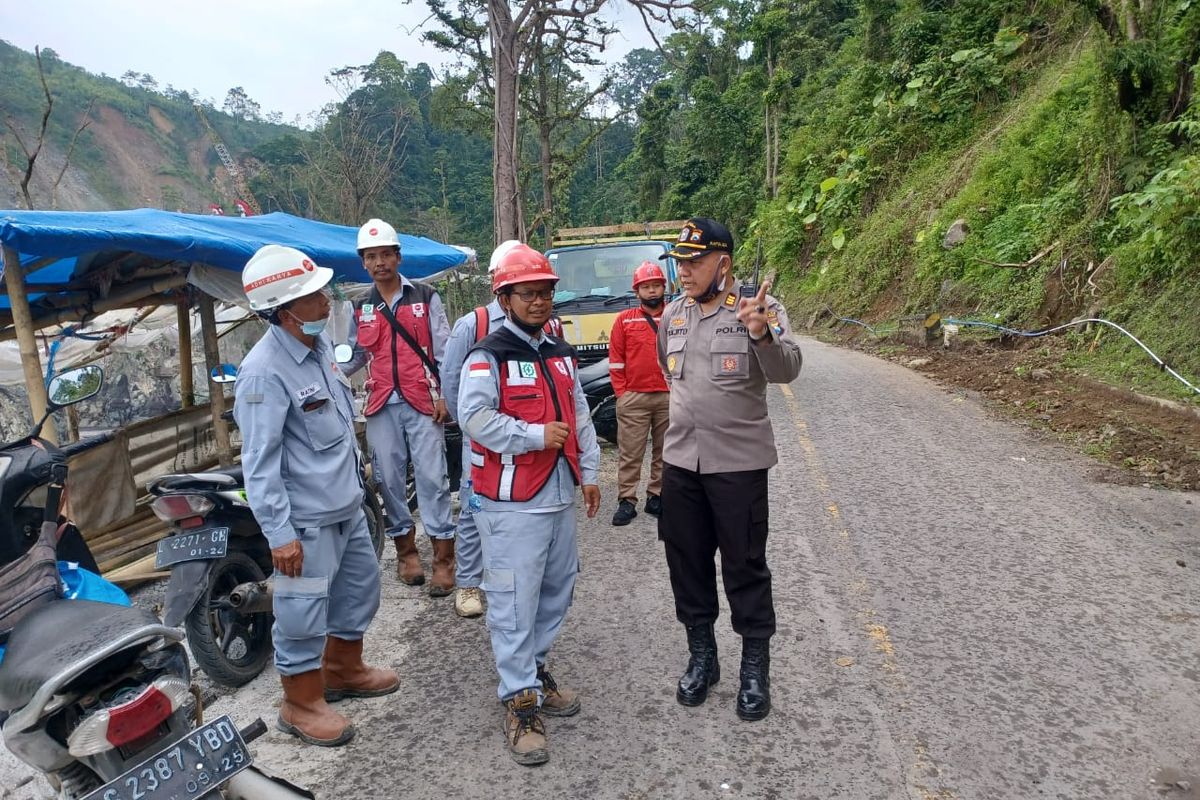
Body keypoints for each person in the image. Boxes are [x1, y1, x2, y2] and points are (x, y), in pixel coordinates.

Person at [235, 244, 399, 747]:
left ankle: (343, 671)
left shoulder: (320, 348)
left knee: (359, 592)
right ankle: (300, 703)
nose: (326, 300)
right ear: (285, 312)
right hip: (305, 521)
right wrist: (279, 535)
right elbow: (259, 464)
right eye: (312, 295)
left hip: (346, 506)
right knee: (302, 613)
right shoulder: (263, 372)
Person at [457, 243, 601, 765]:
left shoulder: (559, 352)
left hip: (559, 492)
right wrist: (534, 434)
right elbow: (474, 419)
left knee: (557, 590)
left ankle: (533, 671)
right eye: (528, 293)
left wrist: (588, 471)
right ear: (505, 296)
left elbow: (579, 412)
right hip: (511, 501)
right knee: (514, 602)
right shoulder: (487, 355)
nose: (540, 301)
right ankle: (519, 702)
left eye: (546, 292)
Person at [655, 218, 802, 722]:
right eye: (680, 261)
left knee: (744, 567)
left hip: (738, 466)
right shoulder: (672, 316)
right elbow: (668, 374)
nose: (684, 271)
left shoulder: (759, 310)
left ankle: (755, 670)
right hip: (680, 464)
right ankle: (704, 657)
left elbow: (788, 370)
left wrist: (761, 335)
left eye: (694, 261)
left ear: (724, 263)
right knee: (686, 565)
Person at [346, 218, 456, 596]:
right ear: (363, 262)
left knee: (432, 478)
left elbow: (443, 352)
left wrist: (446, 396)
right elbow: (355, 354)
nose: (380, 262)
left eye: (386, 254)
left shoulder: (425, 297)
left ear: (398, 256)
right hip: (379, 403)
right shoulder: (360, 305)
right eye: (371, 256)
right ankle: (407, 555)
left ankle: (444, 559)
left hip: (423, 400)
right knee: (389, 481)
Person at [608, 260, 671, 526]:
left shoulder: (676, 316)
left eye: (656, 285)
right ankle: (627, 499)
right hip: (634, 396)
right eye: (646, 287)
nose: (652, 291)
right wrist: (622, 393)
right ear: (637, 292)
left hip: (669, 395)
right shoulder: (625, 320)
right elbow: (615, 359)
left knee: (665, 451)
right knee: (630, 451)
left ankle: (656, 495)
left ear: (664, 287)